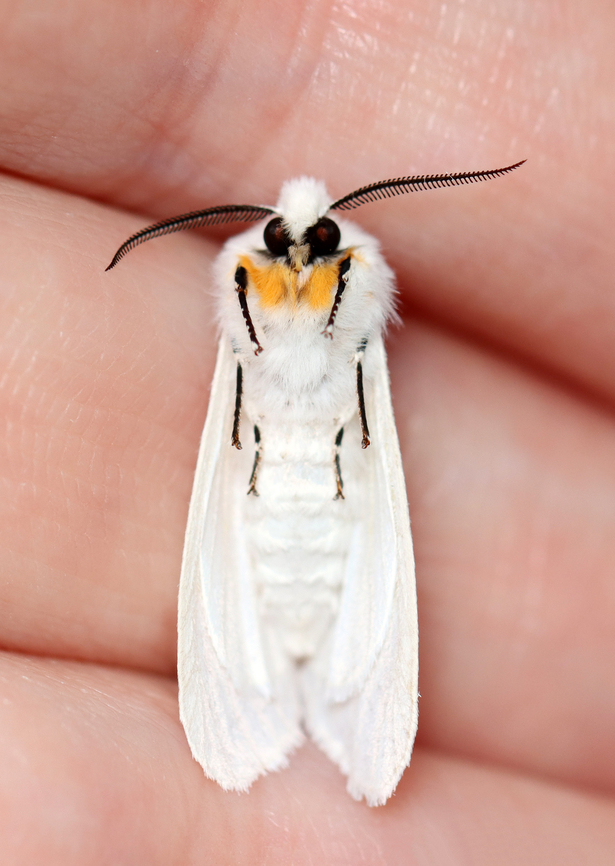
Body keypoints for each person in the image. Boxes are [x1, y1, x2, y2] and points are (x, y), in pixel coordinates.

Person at [0, 0, 614, 861]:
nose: (296, 253)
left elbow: (354, 322)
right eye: (284, 242)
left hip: (340, 471)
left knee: (362, 543)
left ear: (335, 244)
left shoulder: (352, 279)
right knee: (235, 531)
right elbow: (241, 323)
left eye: (315, 241)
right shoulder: (246, 276)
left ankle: (344, 701)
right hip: (255, 462)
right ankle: (261, 692)